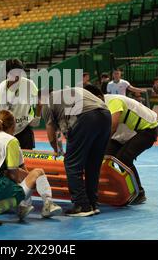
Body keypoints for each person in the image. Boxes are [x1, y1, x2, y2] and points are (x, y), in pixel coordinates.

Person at [42, 87, 112, 216]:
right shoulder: (67, 93)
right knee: (93, 164)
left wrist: (57, 151)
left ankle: (82, 205)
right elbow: (63, 130)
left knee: (72, 163)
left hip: (85, 116)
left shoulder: (48, 103)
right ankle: (92, 203)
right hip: (106, 115)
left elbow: (52, 134)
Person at [83, 84, 157, 205]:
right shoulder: (98, 105)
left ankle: (139, 193)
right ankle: (105, 189)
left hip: (148, 129)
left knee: (123, 158)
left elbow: (113, 125)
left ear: (98, 96)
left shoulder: (113, 101)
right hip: (125, 133)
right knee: (105, 157)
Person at [0, 59, 40, 150]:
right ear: (7, 73)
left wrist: (37, 116)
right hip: (3, 131)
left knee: (25, 160)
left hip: (23, 129)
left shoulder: (29, 84)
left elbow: (39, 101)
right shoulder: (0, 88)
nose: (18, 76)